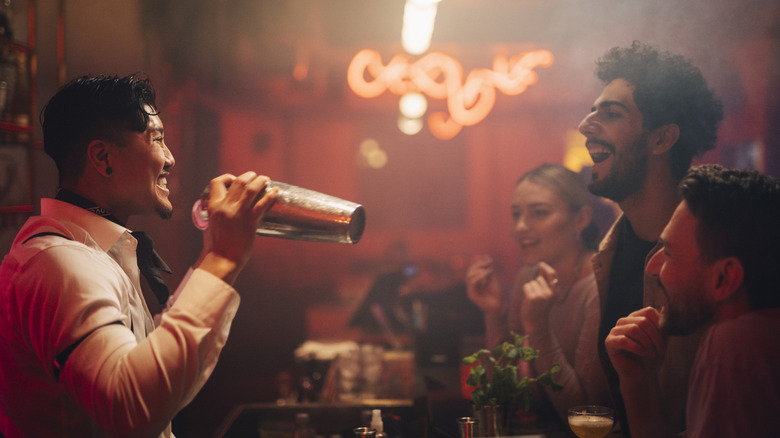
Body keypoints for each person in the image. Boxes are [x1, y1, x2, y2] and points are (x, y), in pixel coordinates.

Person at [0, 74, 280, 437]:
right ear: (103, 158)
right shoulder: (58, 263)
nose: (170, 158)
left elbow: (159, 388)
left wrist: (215, 254)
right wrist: (222, 260)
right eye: (157, 139)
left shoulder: (92, 252)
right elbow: (130, 409)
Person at [577, 41, 723, 436]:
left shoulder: (711, 255)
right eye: (592, 111)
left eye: (611, 113)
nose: (585, 125)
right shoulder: (609, 251)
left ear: (661, 140)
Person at [604, 164, 780, 438]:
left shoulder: (734, 345)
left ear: (724, 278)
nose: (651, 267)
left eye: (669, 252)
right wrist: (638, 381)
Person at [466, 163, 610, 422]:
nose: (520, 227)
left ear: (581, 219)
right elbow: (505, 394)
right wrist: (496, 314)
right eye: (516, 214)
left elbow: (587, 418)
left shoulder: (599, 288)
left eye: (539, 213)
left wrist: (539, 328)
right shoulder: (529, 276)